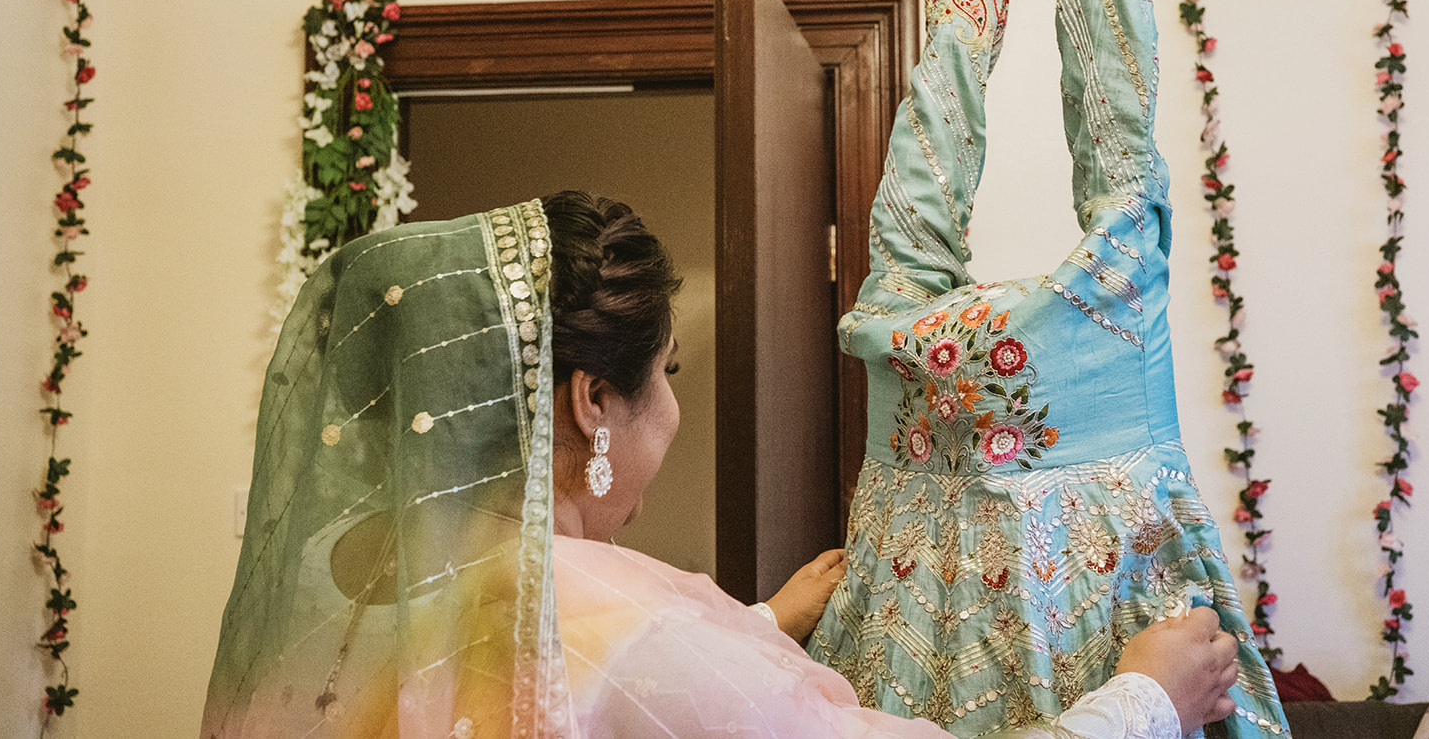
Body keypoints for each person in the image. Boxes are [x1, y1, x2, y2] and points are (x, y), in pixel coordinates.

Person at [201, 186, 1239, 737]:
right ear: (592, 402)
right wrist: (1145, 695)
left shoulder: (384, 596)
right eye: (668, 370)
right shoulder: (629, 617)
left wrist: (753, 625)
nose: (674, 406)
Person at [807, 0, 1290, 739]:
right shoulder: (1113, 300)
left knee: (924, 209)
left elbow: (922, 180)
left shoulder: (892, 321)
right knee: (1105, 196)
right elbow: (1114, 154)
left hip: (908, 599)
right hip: (1113, 632)